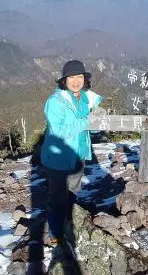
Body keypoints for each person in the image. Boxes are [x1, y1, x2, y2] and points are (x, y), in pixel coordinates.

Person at [40, 60, 102, 246]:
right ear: (64, 80)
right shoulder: (55, 101)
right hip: (58, 159)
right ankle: (55, 233)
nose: (76, 81)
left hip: (79, 155)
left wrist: (97, 120)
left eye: (79, 77)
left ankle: (68, 224)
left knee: (73, 192)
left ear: (85, 79)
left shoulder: (85, 98)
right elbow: (59, 132)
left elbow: (89, 128)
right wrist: (88, 120)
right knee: (57, 197)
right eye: (71, 77)